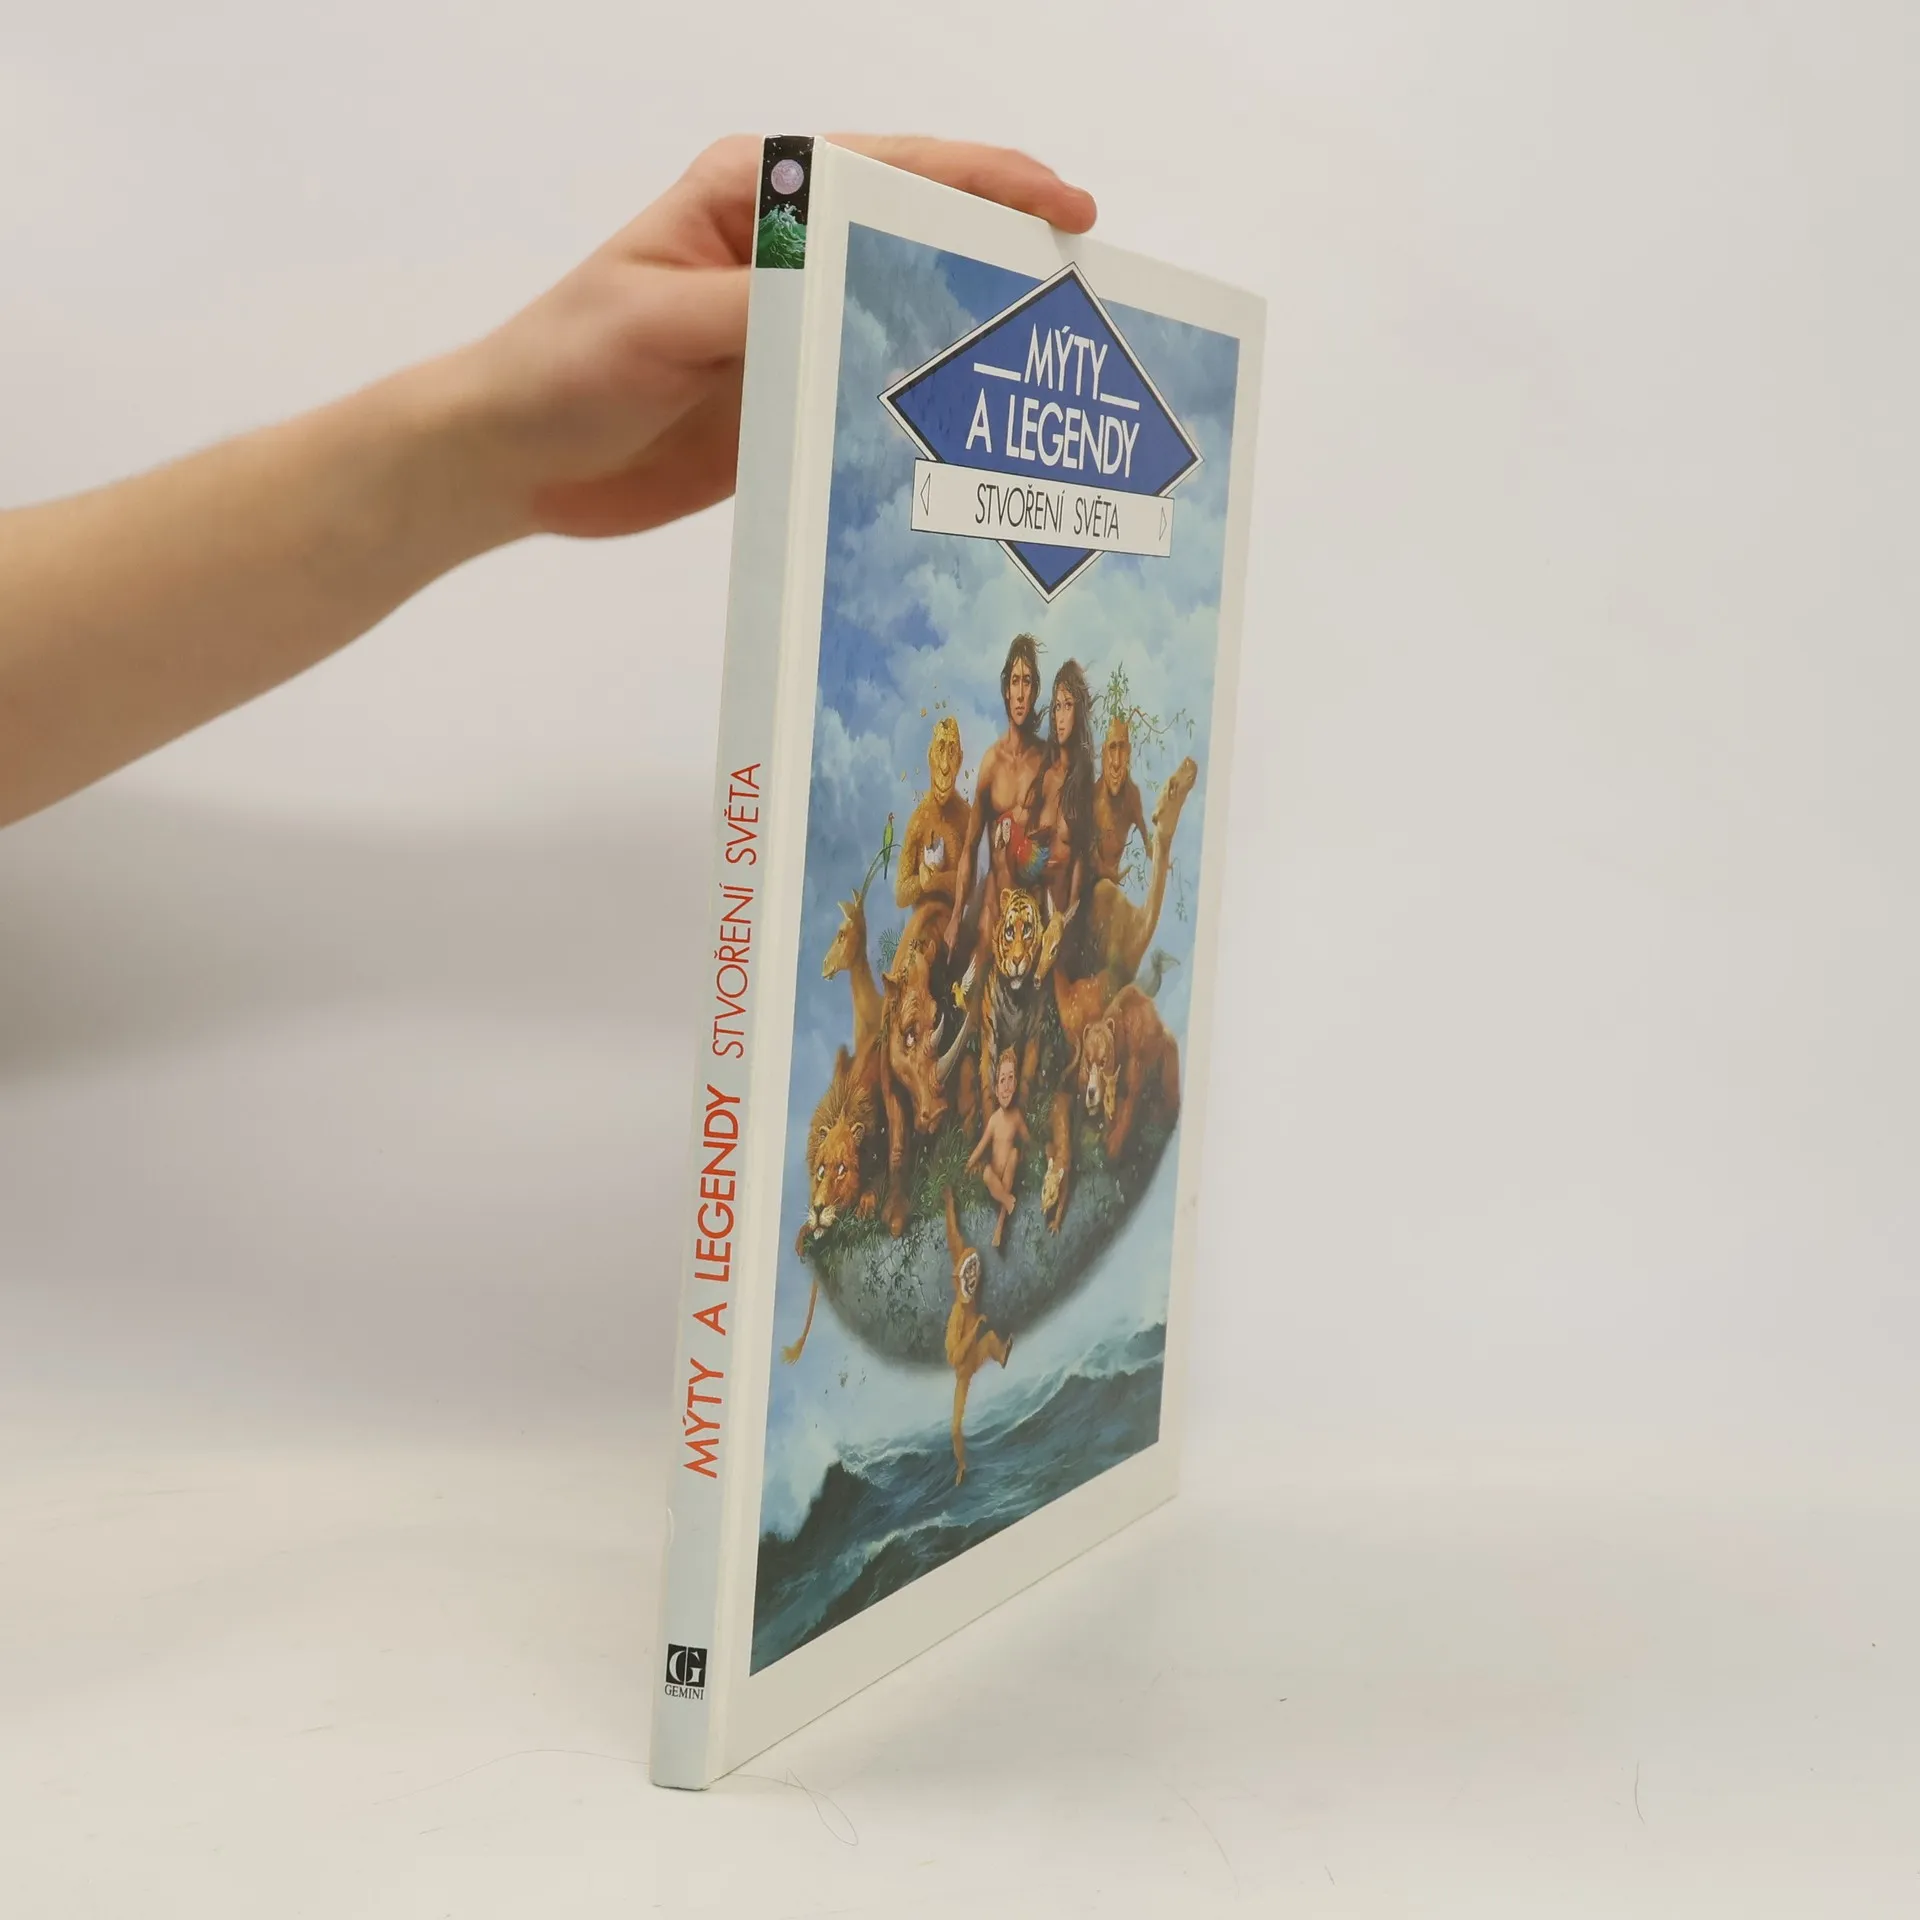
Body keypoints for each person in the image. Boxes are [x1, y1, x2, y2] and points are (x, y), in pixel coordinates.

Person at [0, 138, 1095, 831]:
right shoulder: (978, 782)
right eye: (1011, 691)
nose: (1016, 707)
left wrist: (494, 447)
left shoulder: (1057, 771)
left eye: (1027, 695)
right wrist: (492, 448)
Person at [945, 632, 1046, 959]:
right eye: (1015, 681)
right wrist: (956, 915)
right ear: (1006, 690)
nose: (1020, 693)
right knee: (969, 977)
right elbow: (970, 846)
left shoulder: (1046, 762)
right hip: (993, 905)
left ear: (1035, 691)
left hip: (1033, 912)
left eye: (1027, 682)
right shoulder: (991, 763)